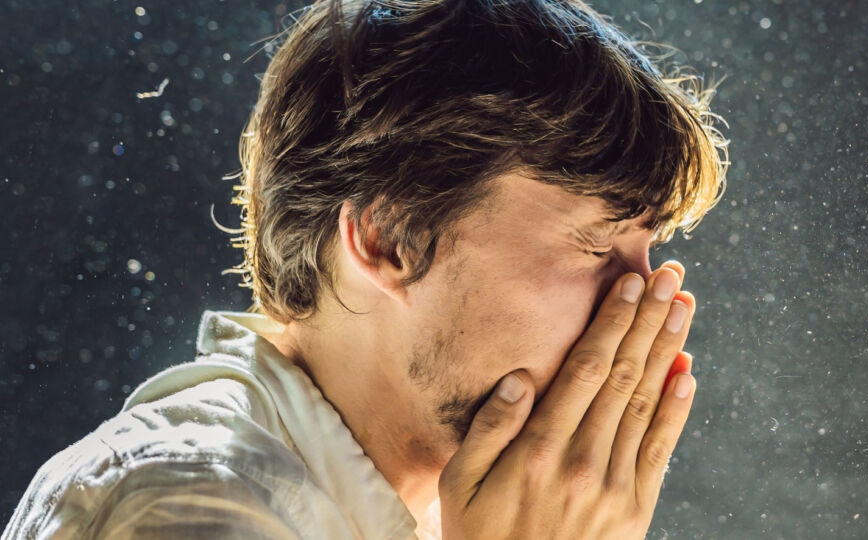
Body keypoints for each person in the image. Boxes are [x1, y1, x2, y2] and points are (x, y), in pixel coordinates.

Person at [3, 0, 729, 537]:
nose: (643, 310)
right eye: (597, 246)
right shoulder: (191, 508)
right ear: (392, 239)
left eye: (649, 252)